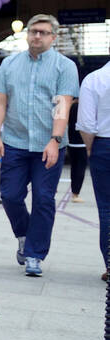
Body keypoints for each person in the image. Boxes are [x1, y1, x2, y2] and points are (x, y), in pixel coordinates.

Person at [0, 14, 79, 278]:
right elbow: (0, 102)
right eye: (32, 31)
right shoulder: (10, 64)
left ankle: (35, 255)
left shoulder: (65, 67)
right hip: (14, 142)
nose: (36, 36)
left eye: (42, 32)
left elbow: (63, 106)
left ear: (53, 37)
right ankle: (25, 235)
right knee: (10, 196)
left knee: (43, 199)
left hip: (47, 144)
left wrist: (55, 139)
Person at [75, 60, 110, 281]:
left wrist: (90, 148)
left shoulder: (94, 79)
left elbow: (87, 124)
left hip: (104, 145)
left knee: (107, 209)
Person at [66, 99, 87, 203]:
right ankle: (75, 193)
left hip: (71, 141)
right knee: (80, 169)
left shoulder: (70, 106)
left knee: (73, 167)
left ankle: (74, 192)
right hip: (82, 142)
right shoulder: (84, 107)